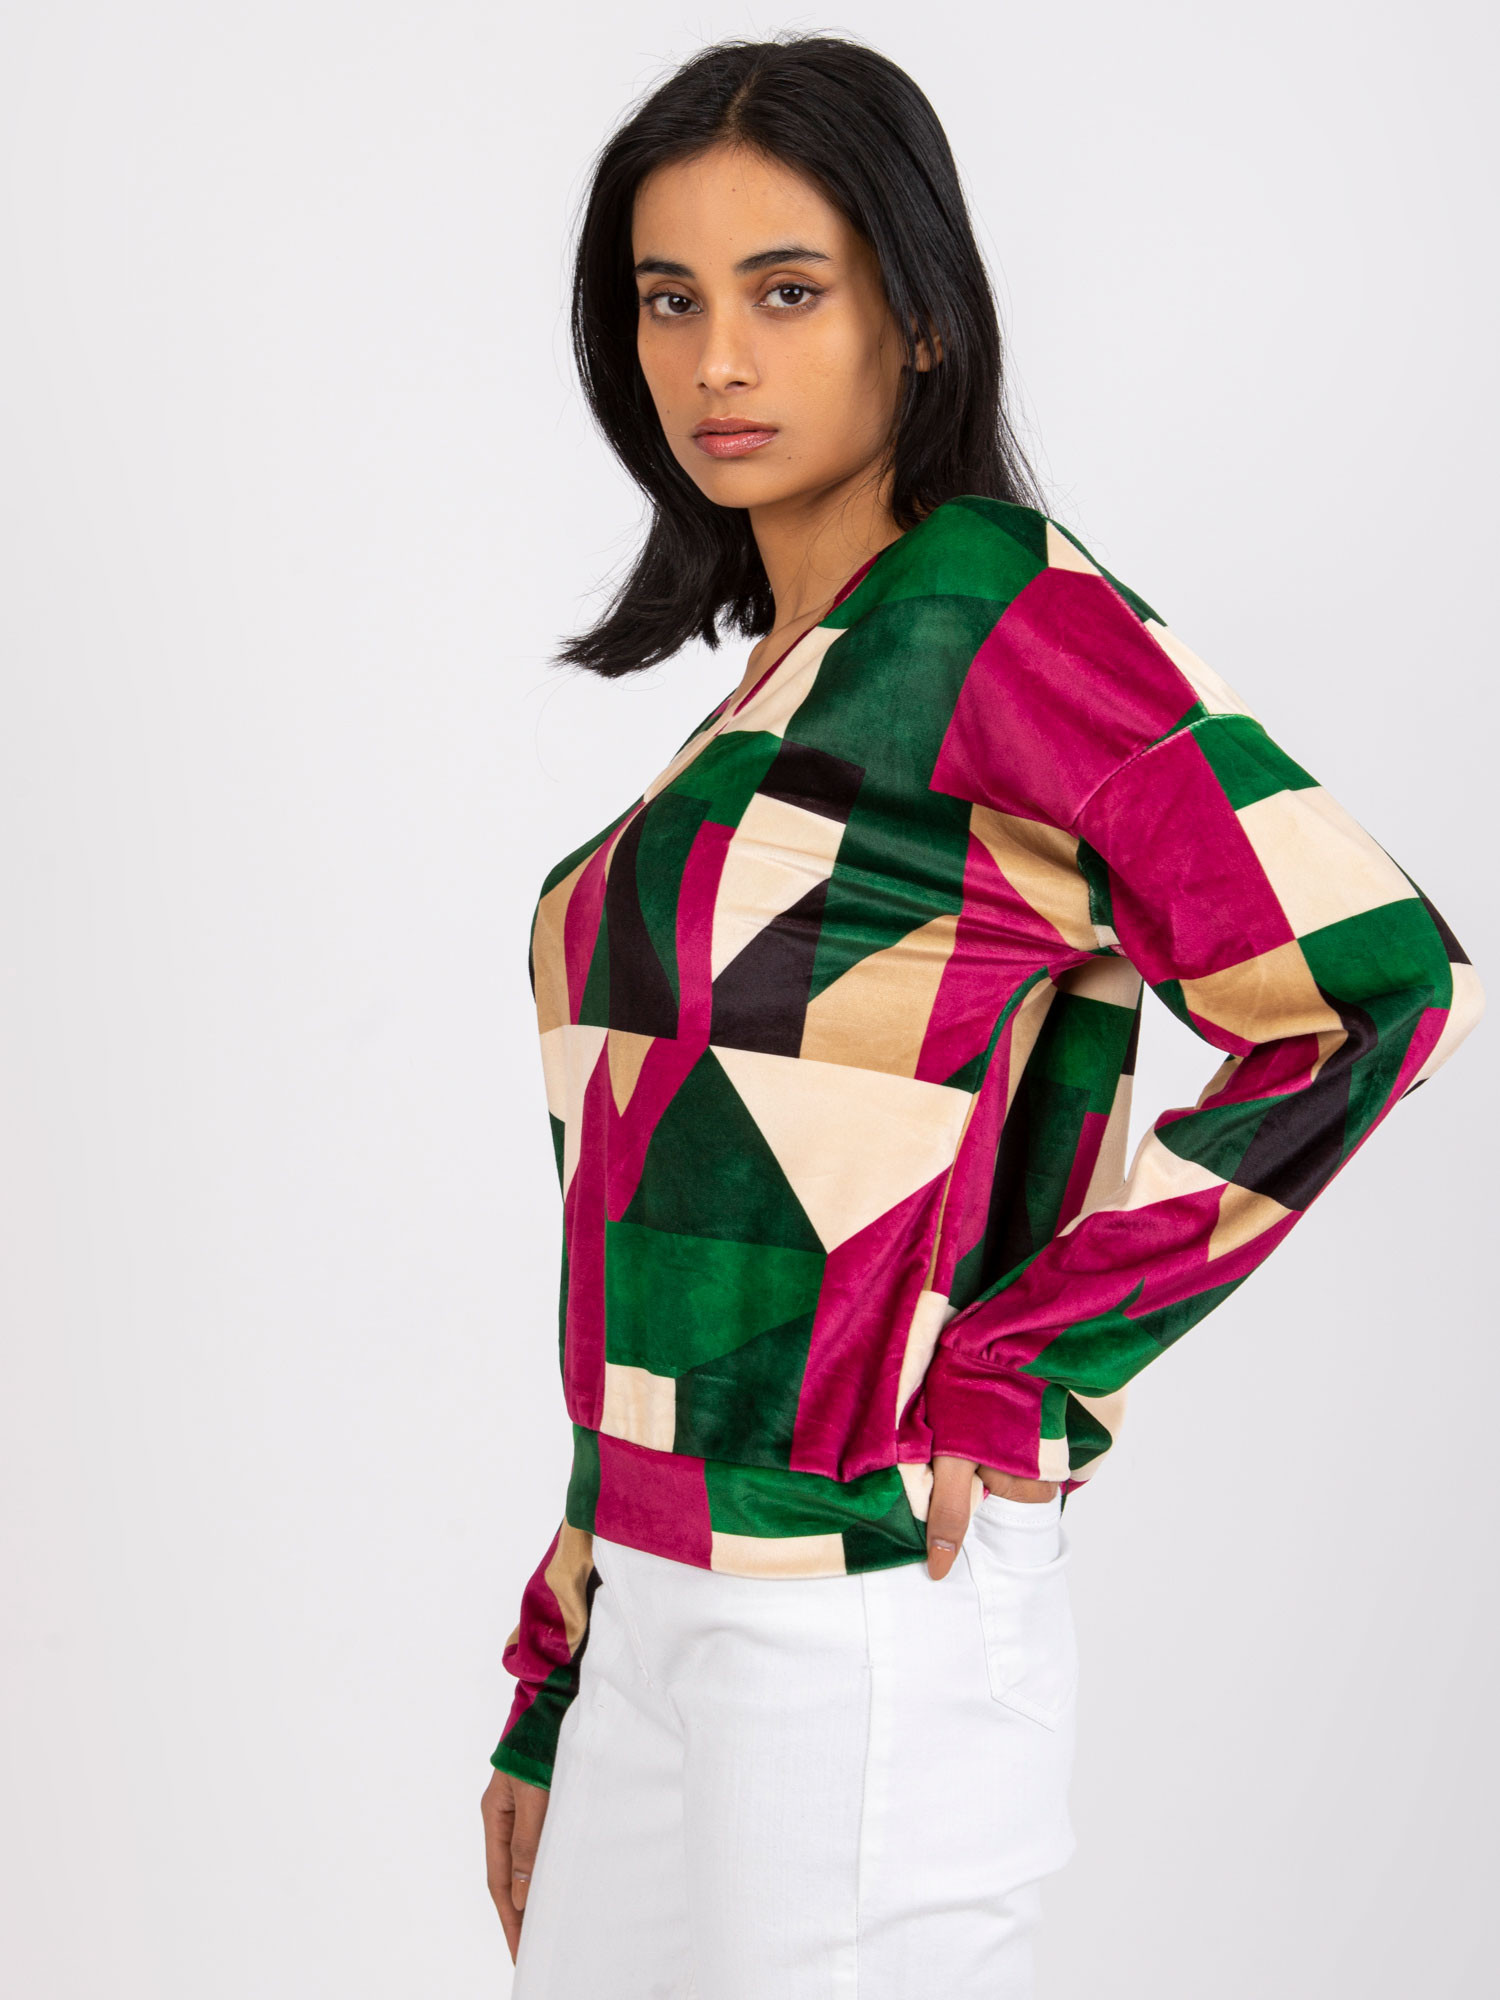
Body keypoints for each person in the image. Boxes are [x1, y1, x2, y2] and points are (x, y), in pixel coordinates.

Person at [480, 33, 1482, 1999]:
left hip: (859, 1621)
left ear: (920, 317)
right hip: (658, 1615)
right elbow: (653, 1219)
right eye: (669, 300)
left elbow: (1377, 983)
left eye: (787, 291)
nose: (718, 362)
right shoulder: (793, 679)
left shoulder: (998, 620)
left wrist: (1029, 1369)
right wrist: (561, 1657)